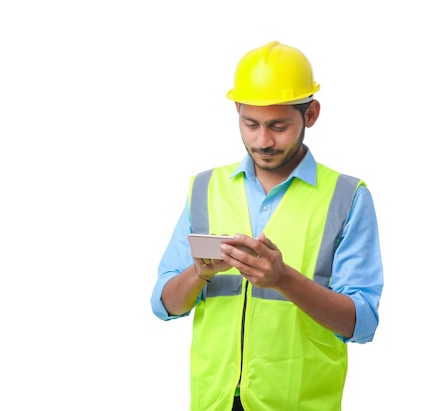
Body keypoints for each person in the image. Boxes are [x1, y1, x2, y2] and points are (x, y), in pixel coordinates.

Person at [150, 41, 384, 411]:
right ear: (237, 111)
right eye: (251, 124)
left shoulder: (347, 197)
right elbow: (165, 304)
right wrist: (198, 273)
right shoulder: (204, 188)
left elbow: (363, 323)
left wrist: (282, 279)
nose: (264, 141)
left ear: (311, 115)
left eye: (278, 126)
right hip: (215, 401)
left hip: (300, 402)